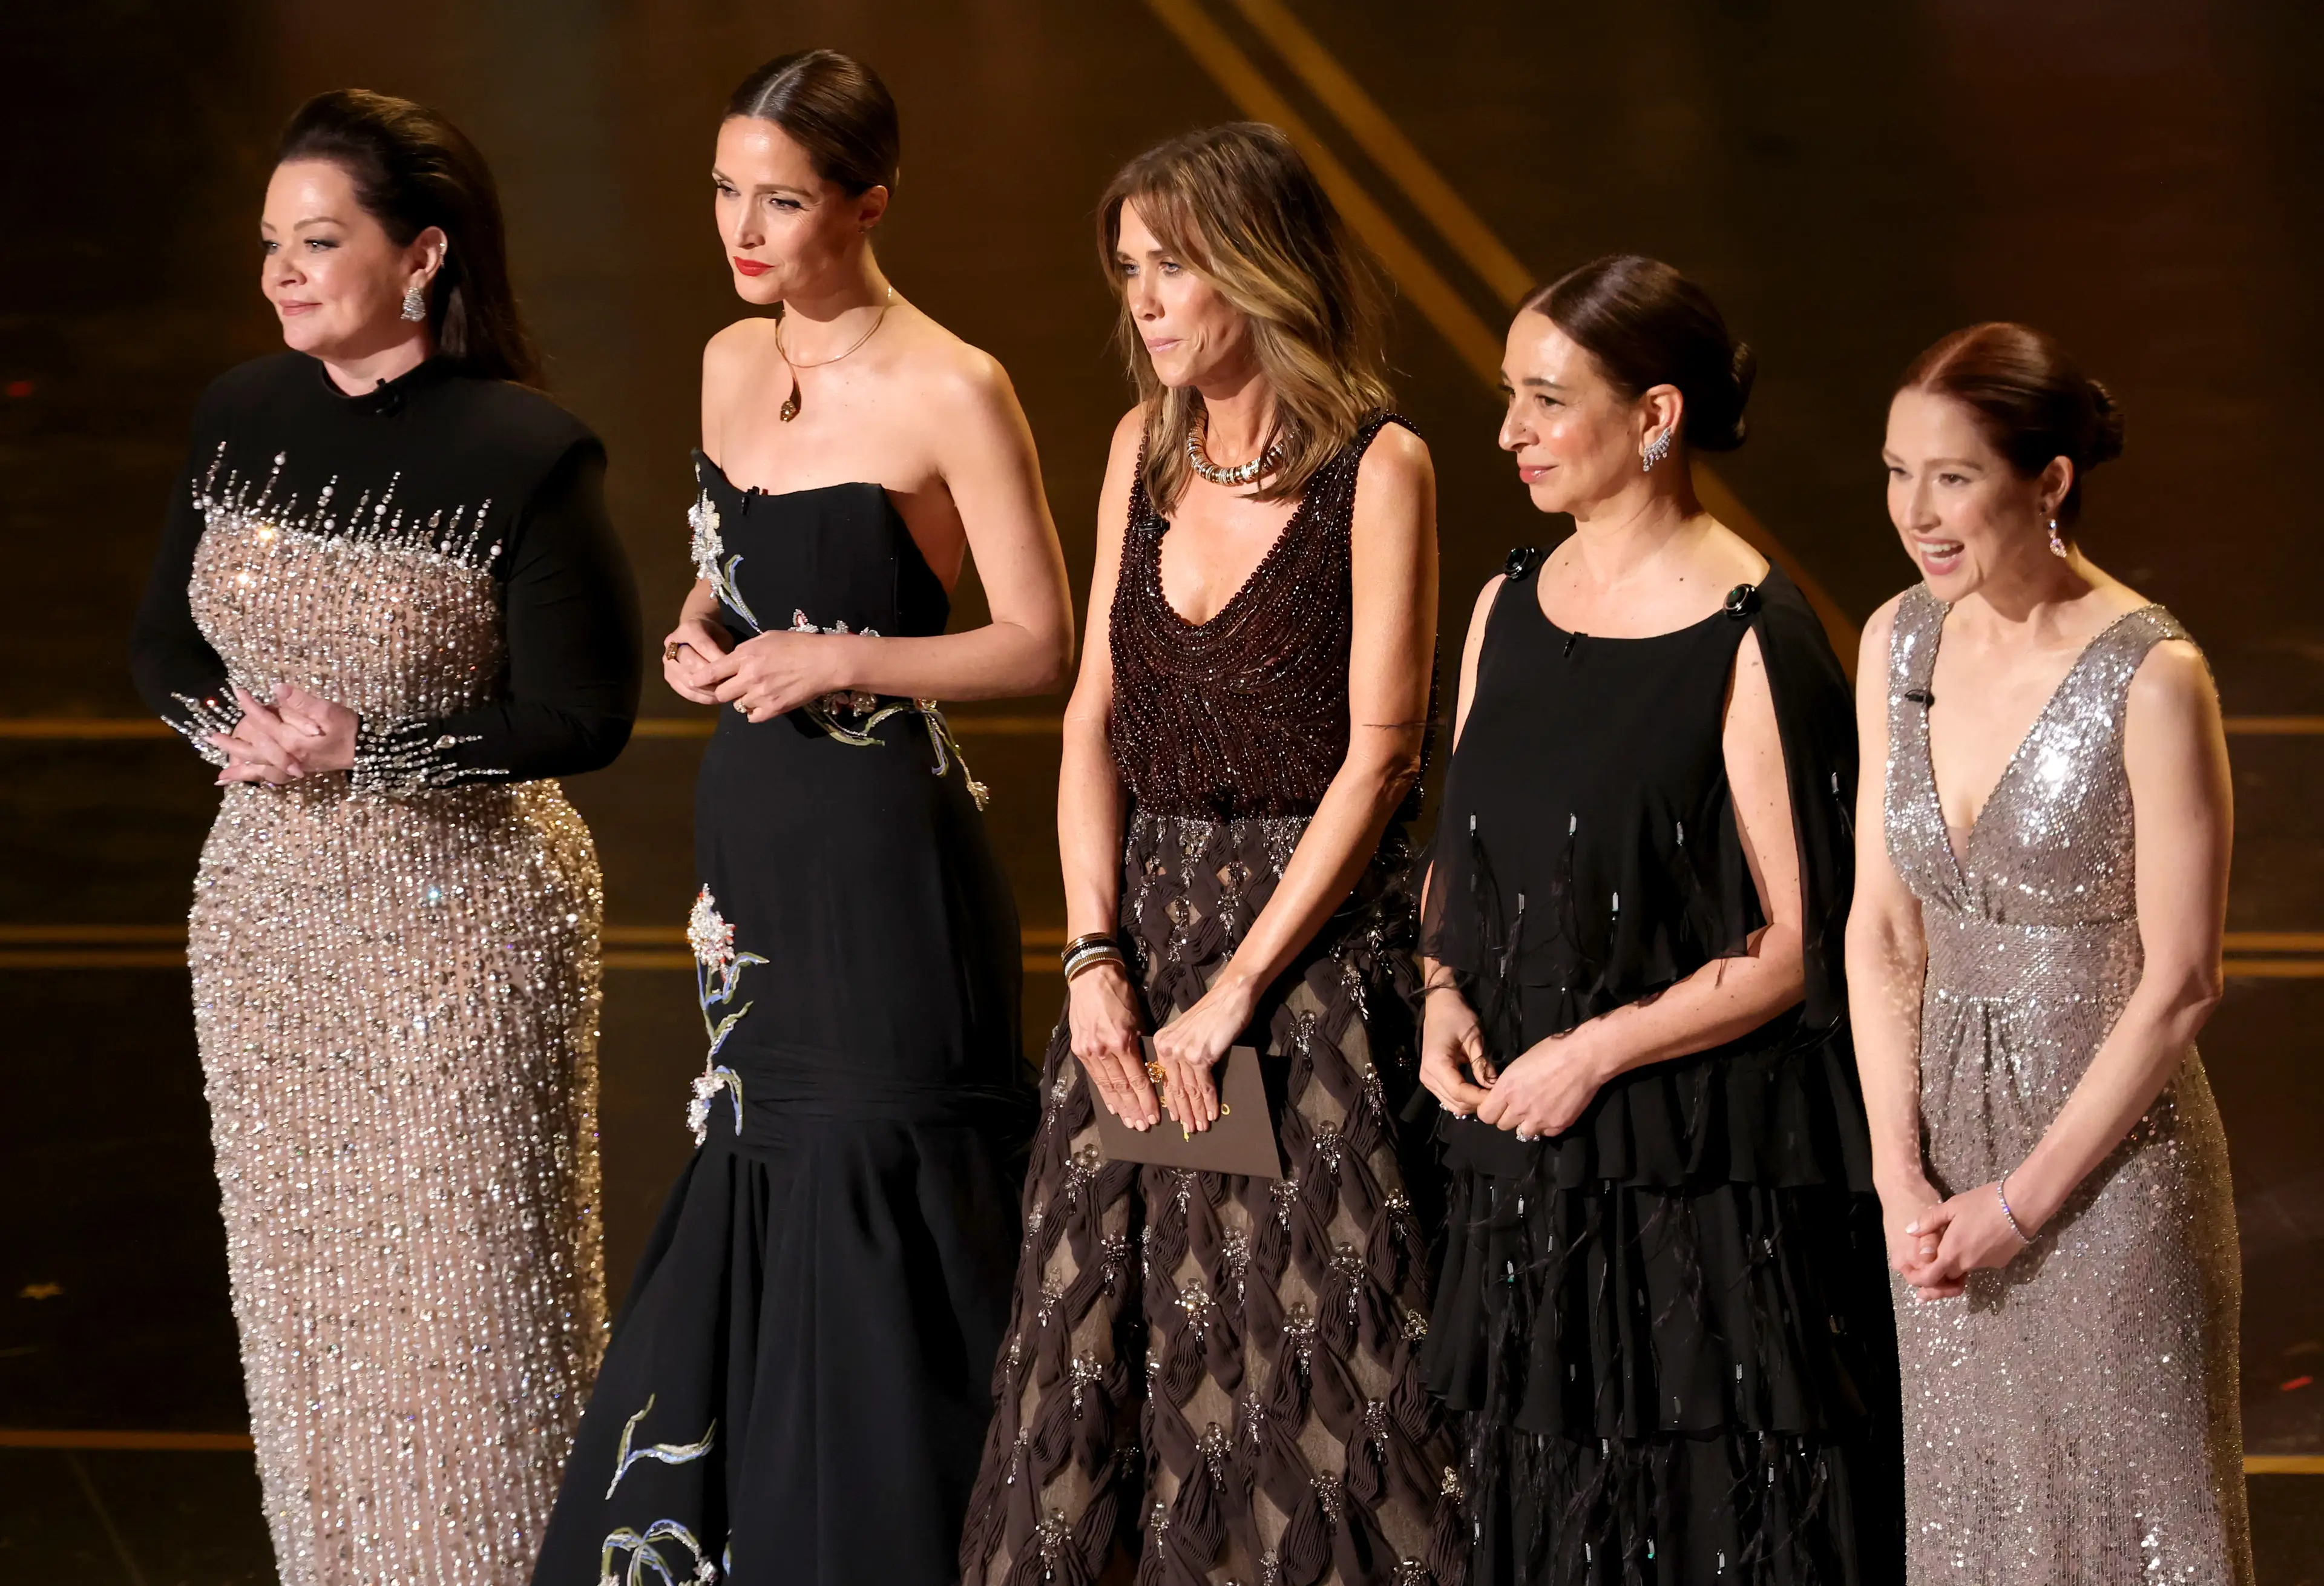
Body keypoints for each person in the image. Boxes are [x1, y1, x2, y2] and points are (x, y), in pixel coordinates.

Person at [527, 50, 1074, 1586]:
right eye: (723, 192)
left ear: (868, 203)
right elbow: (732, 548)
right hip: (750, 835)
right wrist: (702, 626)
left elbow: (1039, 638)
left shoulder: (954, 384)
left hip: (883, 848)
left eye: (781, 199)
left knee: (881, 1164)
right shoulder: (723, 357)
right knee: (760, 1150)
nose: (741, 228)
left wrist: (843, 655)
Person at [126, 89, 641, 1585]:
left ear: (421, 256)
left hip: (461, 929)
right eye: (272, 243)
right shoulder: (240, 413)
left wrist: (373, 747)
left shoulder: (531, 450)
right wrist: (229, 733)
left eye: (320, 240)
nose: (284, 271)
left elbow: (584, 715)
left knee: (476, 1314)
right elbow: (165, 638)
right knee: (310, 1315)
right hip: (268, 927)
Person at [961, 122, 1462, 1586]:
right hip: (1144, 956)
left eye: (1174, 267)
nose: (1147, 302)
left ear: (1261, 266)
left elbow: (1381, 754)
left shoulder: (1381, 470)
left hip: (1296, 965)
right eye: (1131, 272)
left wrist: (1240, 984)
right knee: (1110, 1353)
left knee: (1316, 1370)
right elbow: (1092, 721)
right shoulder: (1139, 450)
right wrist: (1094, 952)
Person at [1417, 256, 1903, 1584]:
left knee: (1707, 1509)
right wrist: (1442, 992)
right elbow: (1463, 855)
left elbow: (1801, 941)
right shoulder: (1506, 602)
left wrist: (1596, 1050)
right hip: (1526, 1140)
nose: (1509, 430)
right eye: (1508, 396)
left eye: (1545, 399)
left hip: (1690, 1154)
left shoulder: (1755, 634)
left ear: (1656, 416)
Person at [1849, 322, 2251, 1582]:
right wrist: (1898, 1174)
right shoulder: (1897, 642)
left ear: (2050, 481)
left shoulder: (2152, 675)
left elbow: (2182, 977)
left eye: (1953, 476)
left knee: (2138, 1528)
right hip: (1941, 1166)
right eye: (1896, 471)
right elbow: (1881, 926)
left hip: (2111, 1172)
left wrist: (2021, 1206)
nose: (1917, 511)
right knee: (1981, 1531)